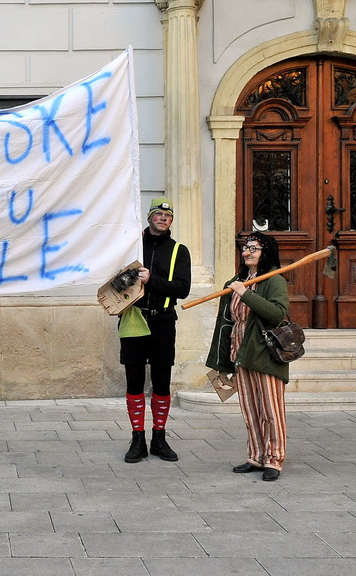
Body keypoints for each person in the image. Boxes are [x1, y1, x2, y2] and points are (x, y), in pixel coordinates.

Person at [205, 232, 290, 482]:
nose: (248, 252)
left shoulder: (274, 280)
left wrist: (246, 294)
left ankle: (274, 459)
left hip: (264, 353)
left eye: (254, 248)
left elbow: (277, 314)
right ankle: (256, 456)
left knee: (271, 410)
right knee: (250, 409)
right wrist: (221, 362)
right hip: (240, 351)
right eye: (245, 248)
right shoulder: (238, 280)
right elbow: (226, 322)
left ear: (267, 252)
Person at [119, 197, 191, 464]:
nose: (163, 218)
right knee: (134, 381)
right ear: (150, 217)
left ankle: (159, 438)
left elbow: (182, 289)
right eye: (159, 214)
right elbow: (114, 280)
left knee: (162, 382)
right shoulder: (132, 247)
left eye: (168, 215)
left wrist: (153, 280)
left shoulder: (178, 251)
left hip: (162, 322)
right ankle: (137, 439)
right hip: (133, 319)